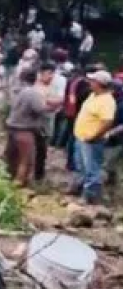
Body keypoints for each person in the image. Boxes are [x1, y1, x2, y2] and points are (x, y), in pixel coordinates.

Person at [71, 70, 117, 204]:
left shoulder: (107, 101)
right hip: (81, 137)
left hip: (91, 141)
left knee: (92, 169)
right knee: (81, 166)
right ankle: (81, 189)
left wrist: (94, 136)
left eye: (93, 81)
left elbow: (107, 122)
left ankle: (89, 196)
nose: (90, 83)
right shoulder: (93, 95)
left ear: (100, 84)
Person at [5, 68, 49, 187]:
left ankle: (7, 178)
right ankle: (19, 183)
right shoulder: (32, 93)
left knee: (11, 156)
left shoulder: (15, 90)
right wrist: (48, 105)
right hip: (24, 129)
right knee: (26, 159)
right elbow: (39, 109)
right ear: (35, 79)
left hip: (11, 127)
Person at [33, 63, 64, 182]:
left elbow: (59, 101)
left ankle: (39, 174)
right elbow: (40, 105)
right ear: (41, 74)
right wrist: (49, 103)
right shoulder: (36, 86)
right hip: (36, 124)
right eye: (49, 73)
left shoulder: (53, 87)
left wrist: (48, 102)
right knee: (36, 148)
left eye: (52, 74)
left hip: (48, 122)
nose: (51, 76)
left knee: (43, 150)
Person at [63, 65, 97, 171]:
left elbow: (67, 96)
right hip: (78, 115)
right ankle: (72, 162)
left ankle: (70, 162)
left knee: (71, 137)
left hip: (70, 113)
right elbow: (82, 99)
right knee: (74, 138)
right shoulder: (85, 85)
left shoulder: (72, 81)